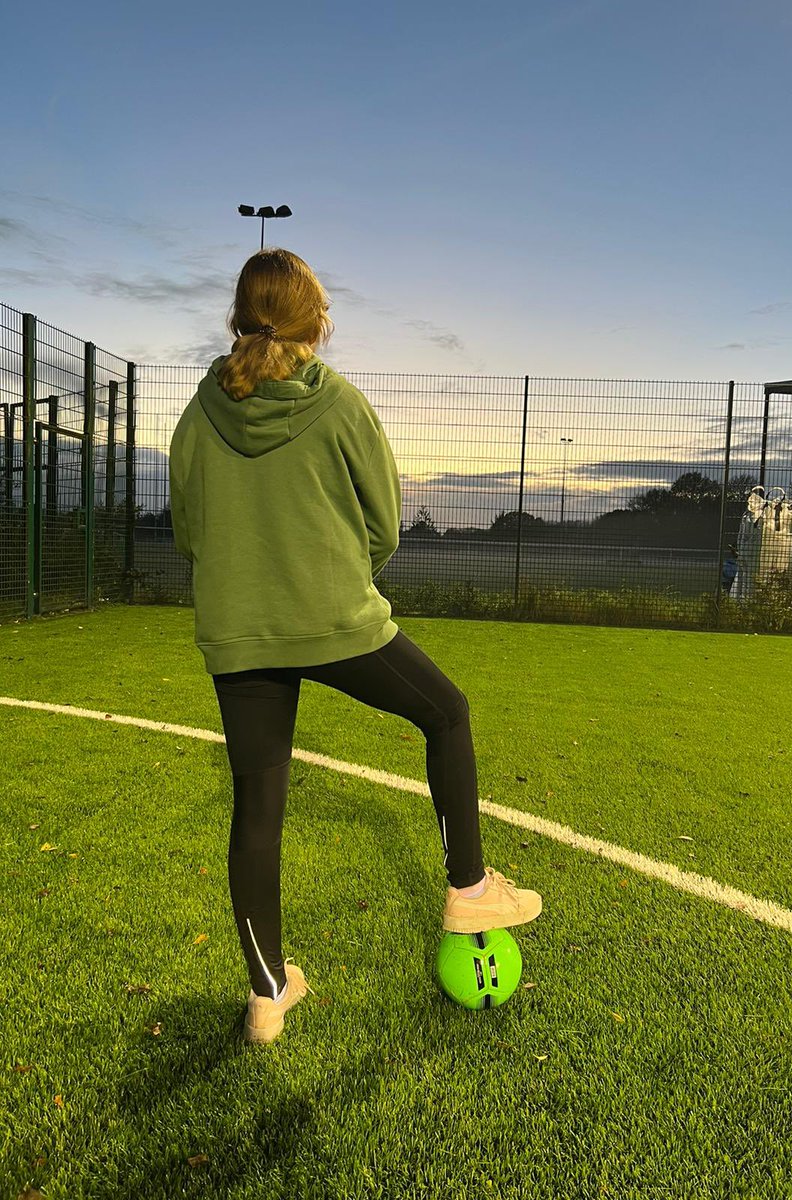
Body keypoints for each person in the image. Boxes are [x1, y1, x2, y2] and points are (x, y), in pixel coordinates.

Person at [168, 248, 542, 1041]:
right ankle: (469, 886)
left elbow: (188, 532)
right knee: (446, 713)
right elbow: (384, 526)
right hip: (336, 619)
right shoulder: (339, 405)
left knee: (257, 807)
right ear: (316, 323)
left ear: (238, 317)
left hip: (238, 634)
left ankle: (268, 994)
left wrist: (249, 585)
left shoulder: (197, 414)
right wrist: (337, 582)